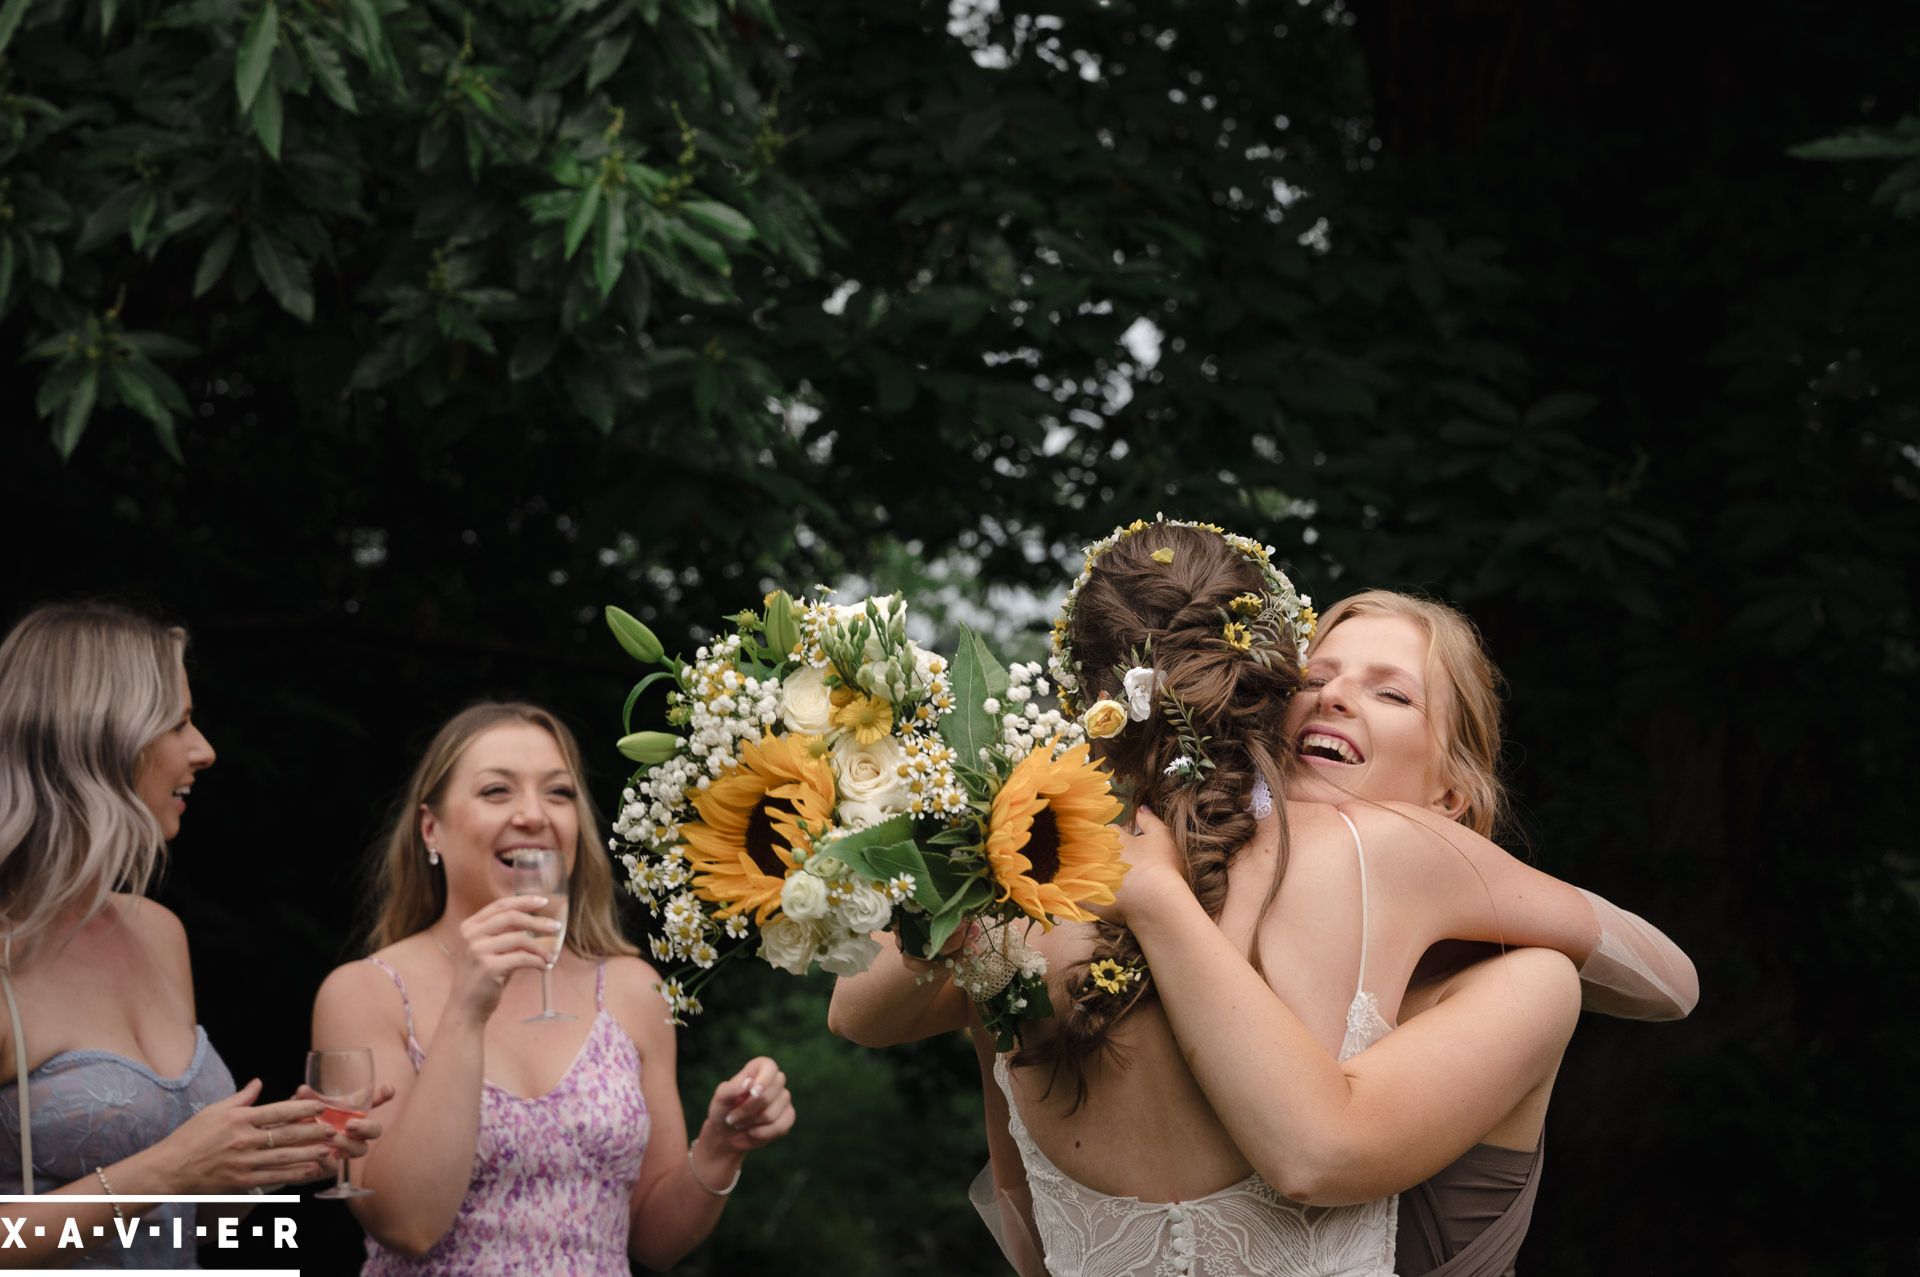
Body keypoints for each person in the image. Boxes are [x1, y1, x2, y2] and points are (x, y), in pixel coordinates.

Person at [829, 521, 1695, 1277]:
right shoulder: (1115, 884)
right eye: (1313, 677)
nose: (1337, 695)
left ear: (1454, 798)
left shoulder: (1472, 924)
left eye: (1392, 692)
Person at [313, 702, 796, 1275]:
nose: (534, 815)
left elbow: (652, 1241)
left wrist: (720, 1147)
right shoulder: (366, 993)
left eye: (559, 793)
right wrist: (466, 1012)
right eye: (497, 791)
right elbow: (408, 1225)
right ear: (430, 829)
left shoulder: (632, 988)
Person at [0, 602, 384, 1270]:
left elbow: (187, 1222)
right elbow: (156, 1180)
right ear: (99, 736)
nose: (203, 749)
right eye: (177, 723)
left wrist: (265, 1155)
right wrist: (165, 1169)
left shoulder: (156, 930)